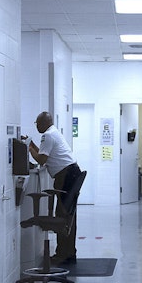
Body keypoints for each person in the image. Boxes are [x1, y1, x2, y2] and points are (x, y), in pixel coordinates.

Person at [25, 111, 82, 264]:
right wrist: (32, 145)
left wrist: (29, 150)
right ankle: (69, 252)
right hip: (72, 174)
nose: (36, 126)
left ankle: (62, 254)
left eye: (37, 123)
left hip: (66, 177)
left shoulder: (47, 136)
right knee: (69, 216)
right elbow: (44, 154)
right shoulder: (53, 133)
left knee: (62, 216)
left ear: (43, 123)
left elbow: (42, 160)